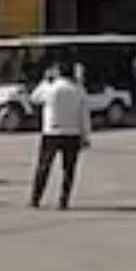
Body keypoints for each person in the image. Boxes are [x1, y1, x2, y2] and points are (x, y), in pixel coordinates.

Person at [29, 61, 90, 210]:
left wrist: (45, 81)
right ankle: (64, 200)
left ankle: (35, 198)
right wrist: (85, 135)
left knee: (44, 166)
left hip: (51, 131)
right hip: (72, 132)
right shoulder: (78, 90)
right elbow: (84, 116)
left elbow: (34, 98)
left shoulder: (50, 88)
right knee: (69, 169)